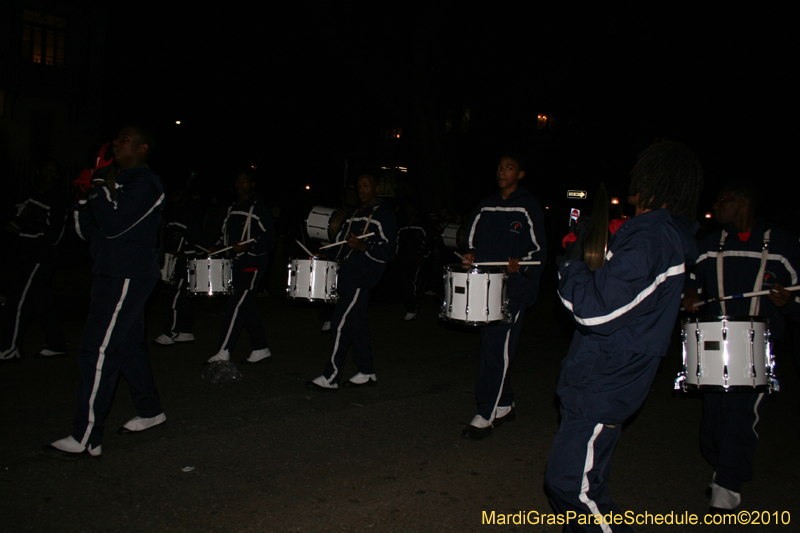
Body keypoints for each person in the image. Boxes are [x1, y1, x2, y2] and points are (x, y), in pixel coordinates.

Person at [545, 140, 703, 530]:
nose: (633, 176)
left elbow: (596, 312)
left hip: (606, 378)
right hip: (600, 374)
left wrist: (571, 266)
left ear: (657, 179)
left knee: (570, 486)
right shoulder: (652, 233)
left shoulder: (653, 238)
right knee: (589, 484)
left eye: (642, 170)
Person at [41, 125, 167, 460]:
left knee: (97, 350)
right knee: (127, 346)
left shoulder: (146, 183)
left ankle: (86, 436)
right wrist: (83, 198)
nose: (115, 142)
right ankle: (150, 410)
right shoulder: (116, 183)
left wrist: (97, 184)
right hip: (109, 273)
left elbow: (114, 225)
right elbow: (87, 234)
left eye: (124, 140)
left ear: (141, 148)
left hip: (128, 275)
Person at [683, 183, 800, 512]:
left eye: (724, 200)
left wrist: (789, 301)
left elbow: (797, 295)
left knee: (740, 415)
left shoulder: (782, 244)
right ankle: (721, 465)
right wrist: (690, 294)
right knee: (714, 417)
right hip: (712, 341)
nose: (717, 205)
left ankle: (728, 485)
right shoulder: (711, 243)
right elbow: (689, 274)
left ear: (744, 202)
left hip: (756, 343)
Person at [460, 153, 546, 440]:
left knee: (497, 348)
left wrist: (522, 264)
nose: (502, 171)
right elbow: (470, 237)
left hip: (515, 288)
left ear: (520, 174)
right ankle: (505, 402)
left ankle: (485, 413)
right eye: (499, 167)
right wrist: (470, 254)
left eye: (509, 168)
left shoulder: (528, 205)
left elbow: (538, 250)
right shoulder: (486, 204)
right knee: (493, 346)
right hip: (486, 285)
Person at [306, 171, 397, 390]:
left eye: (366, 185)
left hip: (363, 276)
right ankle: (366, 371)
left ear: (376, 188)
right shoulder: (354, 213)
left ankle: (332, 376)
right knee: (357, 324)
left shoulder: (384, 214)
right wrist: (326, 255)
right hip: (347, 274)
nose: (362, 189)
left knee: (340, 322)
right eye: (359, 186)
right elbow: (340, 244)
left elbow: (389, 251)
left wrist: (364, 247)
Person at [1, 158, 69, 361]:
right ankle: (56, 343)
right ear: (38, 173)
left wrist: (25, 227)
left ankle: (9, 348)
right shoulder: (29, 196)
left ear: (57, 176)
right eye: (44, 170)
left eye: (52, 171)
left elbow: (53, 234)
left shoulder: (57, 199)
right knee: (41, 300)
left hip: (40, 256)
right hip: (24, 253)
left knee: (17, 300)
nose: (48, 174)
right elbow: (15, 219)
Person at [207, 170, 276, 364]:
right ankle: (260, 347)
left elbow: (270, 240)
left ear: (252, 184)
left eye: (244, 181)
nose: (240, 184)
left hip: (252, 263)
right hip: (236, 263)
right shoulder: (232, 208)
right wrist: (218, 246)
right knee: (247, 306)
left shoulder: (260, 209)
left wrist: (248, 247)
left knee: (236, 304)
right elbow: (225, 235)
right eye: (237, 181)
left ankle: (224, 350)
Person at [153, 186, 204, 345]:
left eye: (179, 192)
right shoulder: (173, 214)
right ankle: (186, 331)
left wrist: (185, 251)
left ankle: (170, 333)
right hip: (174, 260)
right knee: (181, 297)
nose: (175, 195)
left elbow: (198, 241)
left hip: (185, 261)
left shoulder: (188, 214)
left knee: (175, 296)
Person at [395, 202, 432, 321]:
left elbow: (428, 243)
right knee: (404, 283)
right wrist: (396, 255)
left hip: (415, 260)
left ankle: (412, 309)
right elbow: (397, 242)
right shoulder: (403, 226)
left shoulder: (422, 225)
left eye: (411, 208)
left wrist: (422, 255)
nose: (408, 211)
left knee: (411, 283)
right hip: (402, 259)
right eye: (407, 208)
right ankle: (408, 305)